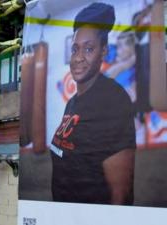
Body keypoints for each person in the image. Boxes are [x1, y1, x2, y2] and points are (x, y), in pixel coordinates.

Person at [50, 2, 136, 205]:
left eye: (89, 49)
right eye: (75, 49)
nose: (78, 58)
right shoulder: (72, 103)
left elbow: (121, 192)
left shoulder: (113, 101)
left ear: (103, 51)